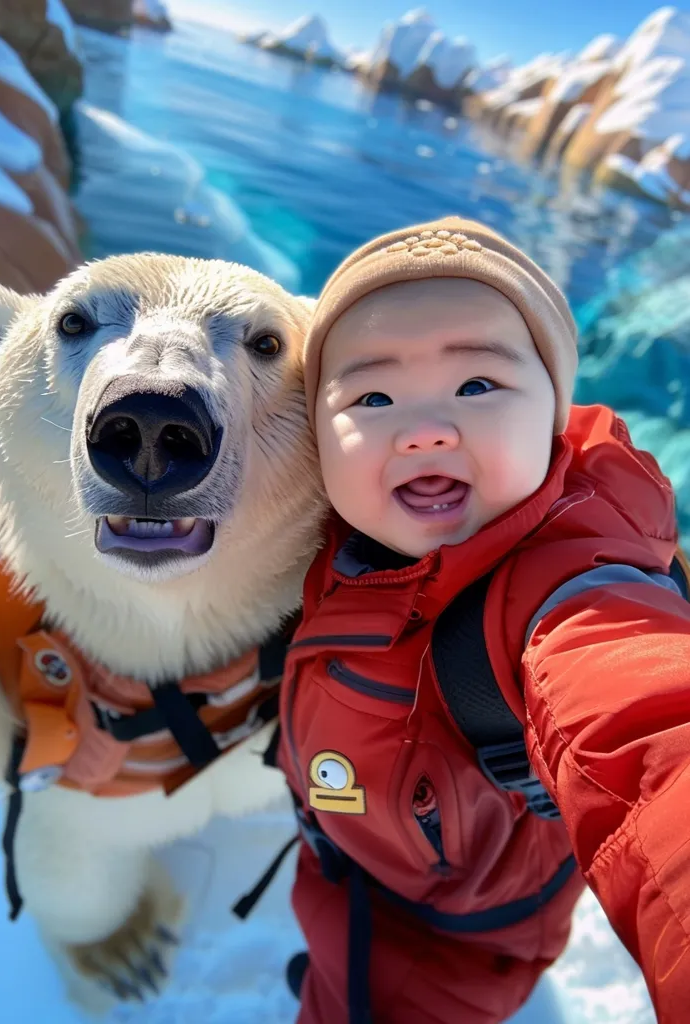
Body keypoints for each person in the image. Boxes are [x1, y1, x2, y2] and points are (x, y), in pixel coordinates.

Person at [271, 217, 690, 1023]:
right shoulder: (341, 534)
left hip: (448, 945)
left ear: (556, 417)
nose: (424, 427)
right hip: (348, 864)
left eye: (477, 386)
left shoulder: (566, 591)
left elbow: (650, 730)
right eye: (372, 396)